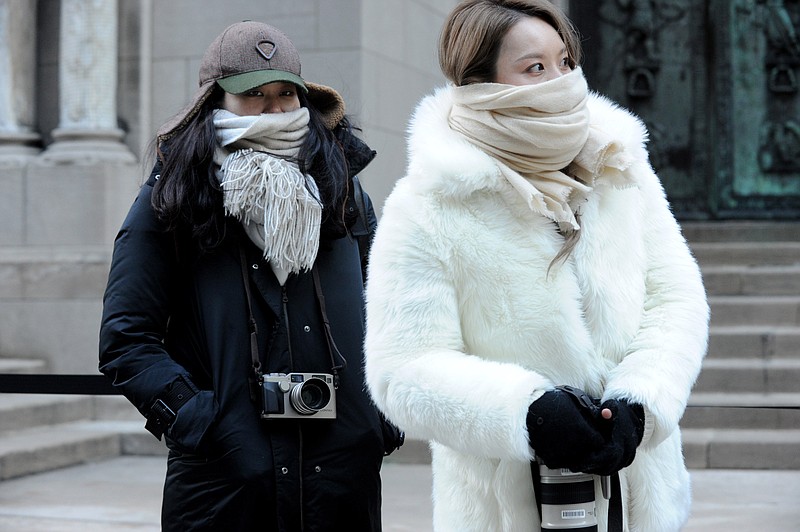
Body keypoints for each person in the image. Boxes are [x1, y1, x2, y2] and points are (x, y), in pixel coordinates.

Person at [364, 1, 709, 531]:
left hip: (638, 497)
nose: (563, 82)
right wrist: (528, 413)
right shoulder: (427, 205)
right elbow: (403, 370)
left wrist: (640, 403)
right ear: (480, 84)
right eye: (535, 68)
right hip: (503, 511)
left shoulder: (618, 168)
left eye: (566, 61)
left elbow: (675, 296)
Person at [99, 21, 402, 532]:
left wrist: (381, 417)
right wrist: (199, 420)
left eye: (286, 93)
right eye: (254, 94)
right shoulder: (173, 199)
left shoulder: (343, 192)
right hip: (225, 486)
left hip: (341, 482)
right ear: (215, 102)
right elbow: (126, 338)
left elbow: (395, 309)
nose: (275, 109)